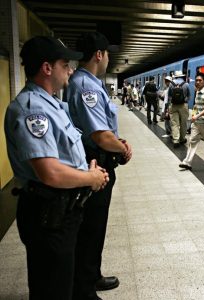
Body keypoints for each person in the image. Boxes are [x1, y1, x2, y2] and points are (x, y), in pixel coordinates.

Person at [4, 36, 108, 300]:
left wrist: (87, 167)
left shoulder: (52, 104)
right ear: (47, 68)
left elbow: (63, 152)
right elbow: (49, 172)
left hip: (62, 212)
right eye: (65, 64)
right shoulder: (32, 111)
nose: (70, 70)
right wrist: (89, 177)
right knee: (52, 289)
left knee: (62, 282)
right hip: (48, 215)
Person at [64, 32, 133, 299]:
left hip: (97, 162)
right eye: (108, 53)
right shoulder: (88, 87)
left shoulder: (85, 83)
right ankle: (84, 288)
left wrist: (117, 143)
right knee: (91, 228)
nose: (108, 58)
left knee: (94, 227)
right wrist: (123, 147)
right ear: (99, 55)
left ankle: (91, 274)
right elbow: (100, 135)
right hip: (95, 164)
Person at [179, 72, 204, 170]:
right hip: (196, 123)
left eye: (200, 80)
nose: (197, 82)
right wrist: (193, 116)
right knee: (192, 141)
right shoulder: (197, 91)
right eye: (196, 80)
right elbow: (197, 106)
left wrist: (197, 116)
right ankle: (187, 162)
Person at [169, 70, 190, 147]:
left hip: (174, 106)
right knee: (183, 123)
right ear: (182, 76)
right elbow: (189, 96)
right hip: (183, 105)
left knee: (174, 123)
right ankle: (182, 139)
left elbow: (169, 96)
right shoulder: (186, 84)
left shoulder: (171, 84)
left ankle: (176, 140)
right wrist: (184, 100)